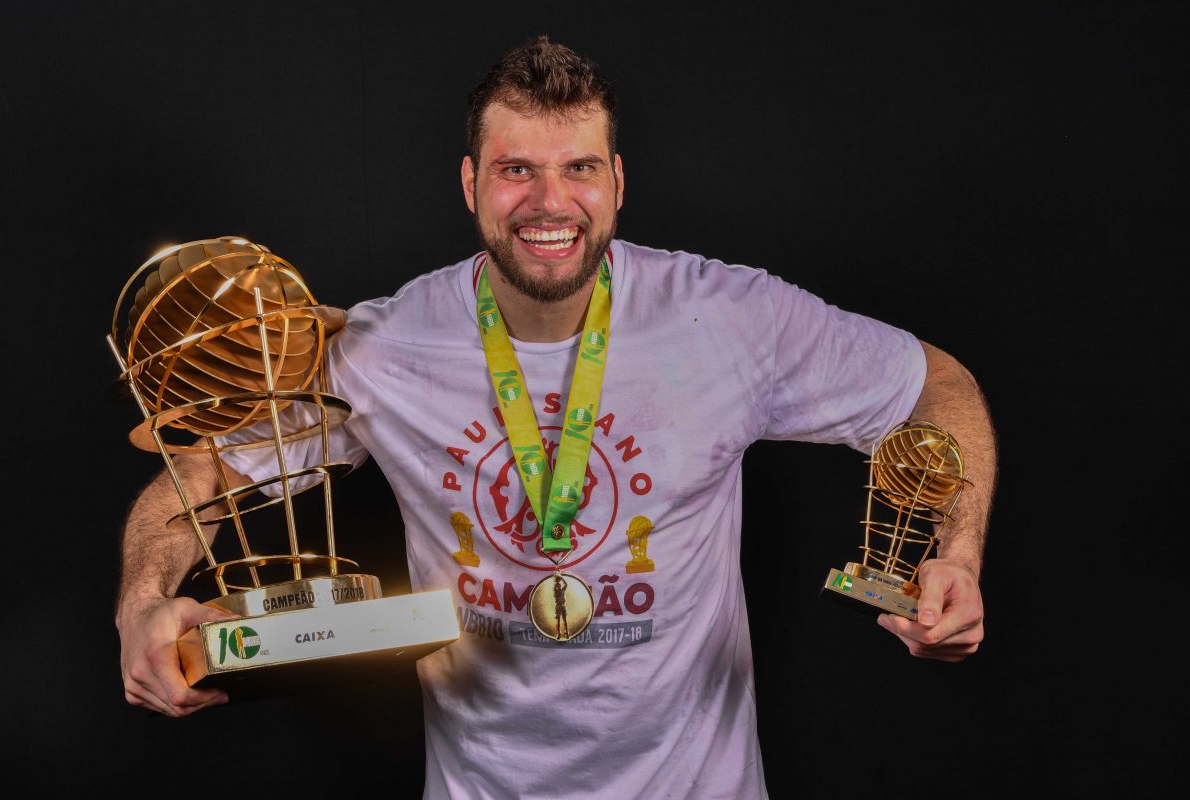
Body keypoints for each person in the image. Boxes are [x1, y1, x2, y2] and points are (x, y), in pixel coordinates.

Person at [115, 36, 995, 799]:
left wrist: (956, 557)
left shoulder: (732, 319)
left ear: (617, 181)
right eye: (516, 170)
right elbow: (203, 473)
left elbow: (936, 386)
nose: (549, 201)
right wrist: (142, 605)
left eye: (578, 168)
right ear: (470, 183)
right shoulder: (386, 347)